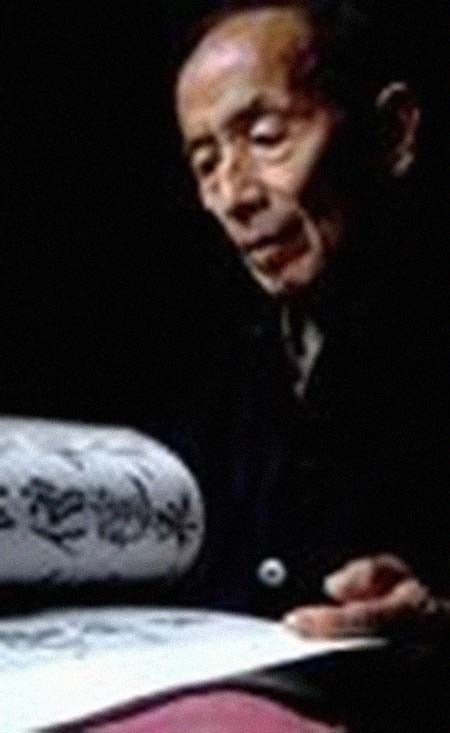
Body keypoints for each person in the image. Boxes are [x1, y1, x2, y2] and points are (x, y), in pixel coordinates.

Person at [168, 0, 448, 639]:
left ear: (393, 132)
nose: (233, 196)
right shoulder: (228, 356)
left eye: (267, 138)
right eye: (206, 163)